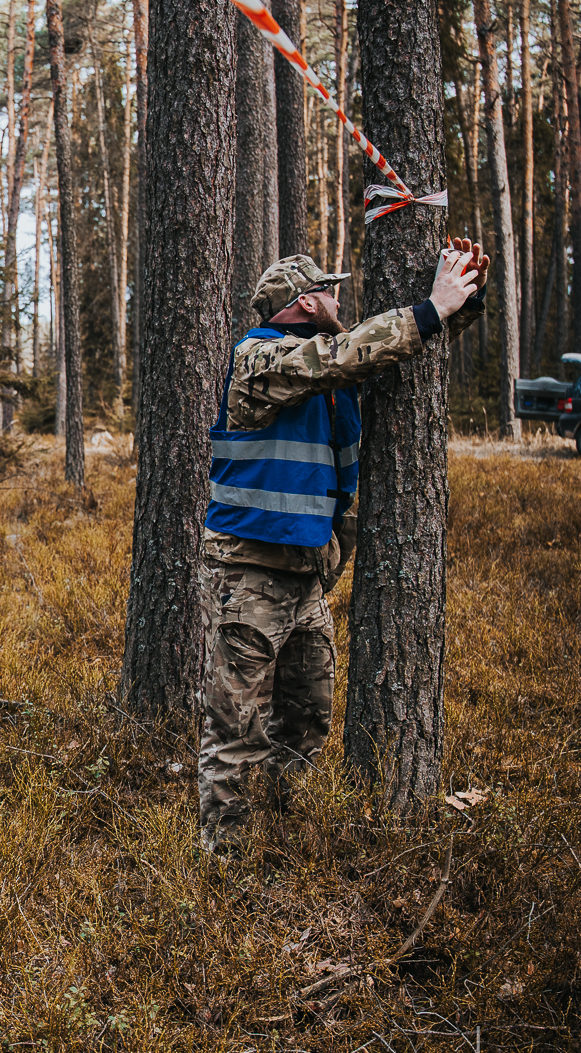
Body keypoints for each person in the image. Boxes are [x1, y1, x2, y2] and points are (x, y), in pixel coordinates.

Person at [197, 240, 486, 854]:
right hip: (250, 577)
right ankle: (225, 869)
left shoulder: (331, 374)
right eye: (330, 290)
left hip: (305, 578)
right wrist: (430, 308)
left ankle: (282, 836)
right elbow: (343, 355)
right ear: (305, 302)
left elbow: (380, 358)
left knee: (306, 720)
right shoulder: (260, 362)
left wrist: (462, 299)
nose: (340, 298)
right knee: (236, 731)